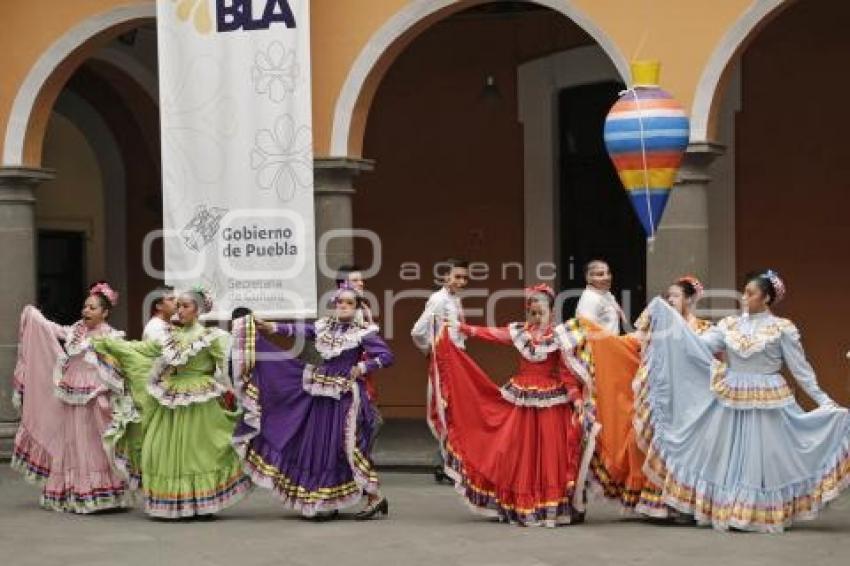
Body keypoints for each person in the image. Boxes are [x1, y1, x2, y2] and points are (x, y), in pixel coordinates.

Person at [636, 270, 850, 532]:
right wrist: (670, 322)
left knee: (763, 457)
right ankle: (733, 510)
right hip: (733, 394)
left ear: (767, 298)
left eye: (751, 293)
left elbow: (801, 369)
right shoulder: (729, 324)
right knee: (729, 456)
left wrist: (824, 401)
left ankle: (756, 512)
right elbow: (697, 346)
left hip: (768, 398)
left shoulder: (782, 328)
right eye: (744, 292)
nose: (744, 297)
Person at [232, 283, 394, 520]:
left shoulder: (363, 332)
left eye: (349, 303)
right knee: (322, 446)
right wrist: (271, 326)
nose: (343, 307)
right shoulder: (325, 326)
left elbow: (387, 356)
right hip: (322, 389)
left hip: (346, 395)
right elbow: (303, 330)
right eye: (340, 302)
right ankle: (325, 499)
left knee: (346, 447)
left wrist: (363, 366)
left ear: (357, 307)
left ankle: (375, 497)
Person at [430, 284, 588, 526]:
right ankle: (522, 504)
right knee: (518, 452)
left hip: (551, 401)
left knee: (549, 453)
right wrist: (463, 328)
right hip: (522, 398)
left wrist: (576, 398)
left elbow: (566, 373)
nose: (536, 317)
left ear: (551, 311)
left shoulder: (559, 336)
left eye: (541, 312)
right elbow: (492, 334)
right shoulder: (520, 332)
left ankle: (550, 506)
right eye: (532, 312)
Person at [92, 286, 251, 519]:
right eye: (178, 306)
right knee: (162, 449)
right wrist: (112, 343)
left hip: (200, 398)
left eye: (185, 306)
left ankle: (201, 501)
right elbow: (143, 349)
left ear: (198, 310)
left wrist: (240, 392)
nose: (180, 310)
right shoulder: (170, 335)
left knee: (199, 451)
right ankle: (178, 500)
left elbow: (229, 366)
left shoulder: (211, 336)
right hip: (172, 396)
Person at [11, 282, 135, 513]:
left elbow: (121, 365)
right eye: (86, 306)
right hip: (72, 391)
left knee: (95, 442)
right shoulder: (78, 330)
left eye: (93, 308)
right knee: (74, 441)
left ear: (105, 313)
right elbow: (56, 331)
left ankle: (102, 492)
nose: (86, 311)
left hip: (96, 395)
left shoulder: (110, 336)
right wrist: (36, 319)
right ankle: (77, 491)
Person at [411, 258, 469, 482]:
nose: (462, 281)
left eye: (464, 278)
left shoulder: (453, 299)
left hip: (456, 360)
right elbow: (417, 331)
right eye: (457, 277)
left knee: (455, 411)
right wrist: (431, 351)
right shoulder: (438, 300)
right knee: (446, 410)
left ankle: (447, 463)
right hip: (445, 362)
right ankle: (446, 464)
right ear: (445, 277)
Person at [575, 259, 627, 335]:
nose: (607, 278)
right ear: (588, 278)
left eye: (608, 273)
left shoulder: (605, 293)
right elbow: (587, 332)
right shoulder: (590, 299)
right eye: (600, 274)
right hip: (599, 345)